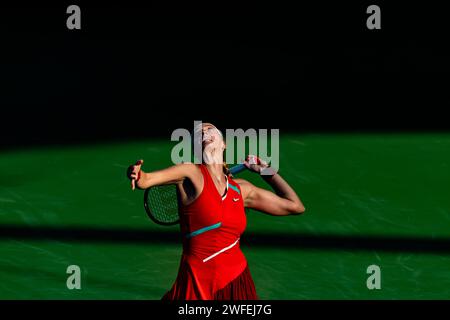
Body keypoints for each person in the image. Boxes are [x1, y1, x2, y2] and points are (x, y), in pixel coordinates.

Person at [127, 123, 305, 300]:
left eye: (210, 129)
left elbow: (295, 206)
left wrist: (266, 171)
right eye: (199, 133)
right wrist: (137, 174)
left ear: (224, 143)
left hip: (237, 283)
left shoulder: (241, 190)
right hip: (197, 285)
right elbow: (146, 180)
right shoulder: (189, 172)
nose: (204, 132)